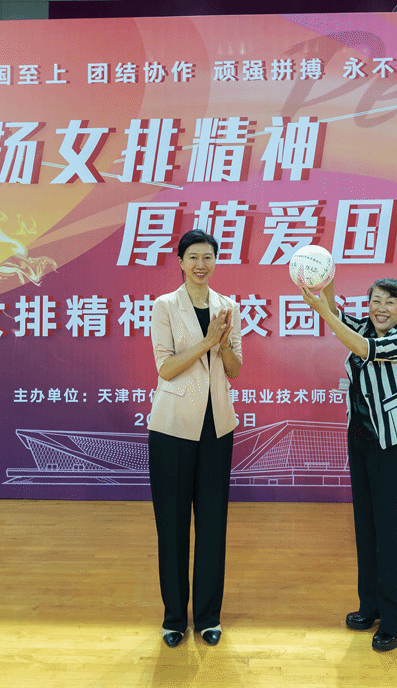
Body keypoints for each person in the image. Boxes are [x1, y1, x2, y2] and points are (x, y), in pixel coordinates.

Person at [301, 276, 397, 652]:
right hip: (361, 439)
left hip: (392, 443)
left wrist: (323, 313)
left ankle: (395, 620)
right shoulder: (364, 324)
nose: (381, 308)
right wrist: (327, 279)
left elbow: (363, 348)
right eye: (376, 301)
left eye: (390, 302)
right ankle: (370, 606)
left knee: (391, 531)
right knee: (366, 528)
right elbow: (336, 312)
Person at [147, 229, 243, 648]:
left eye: (208, 257)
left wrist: (223, 346)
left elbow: (235, 369)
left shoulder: (228, 307)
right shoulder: (165, 306)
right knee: (172, 526)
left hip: (216, 427)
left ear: (215, 261)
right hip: (172, 429)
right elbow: (166, 368)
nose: (201, 265)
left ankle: (207, 616)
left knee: (212, 525)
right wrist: (206, 342)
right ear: (181, 262)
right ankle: (174, 618)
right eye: (193, 257)